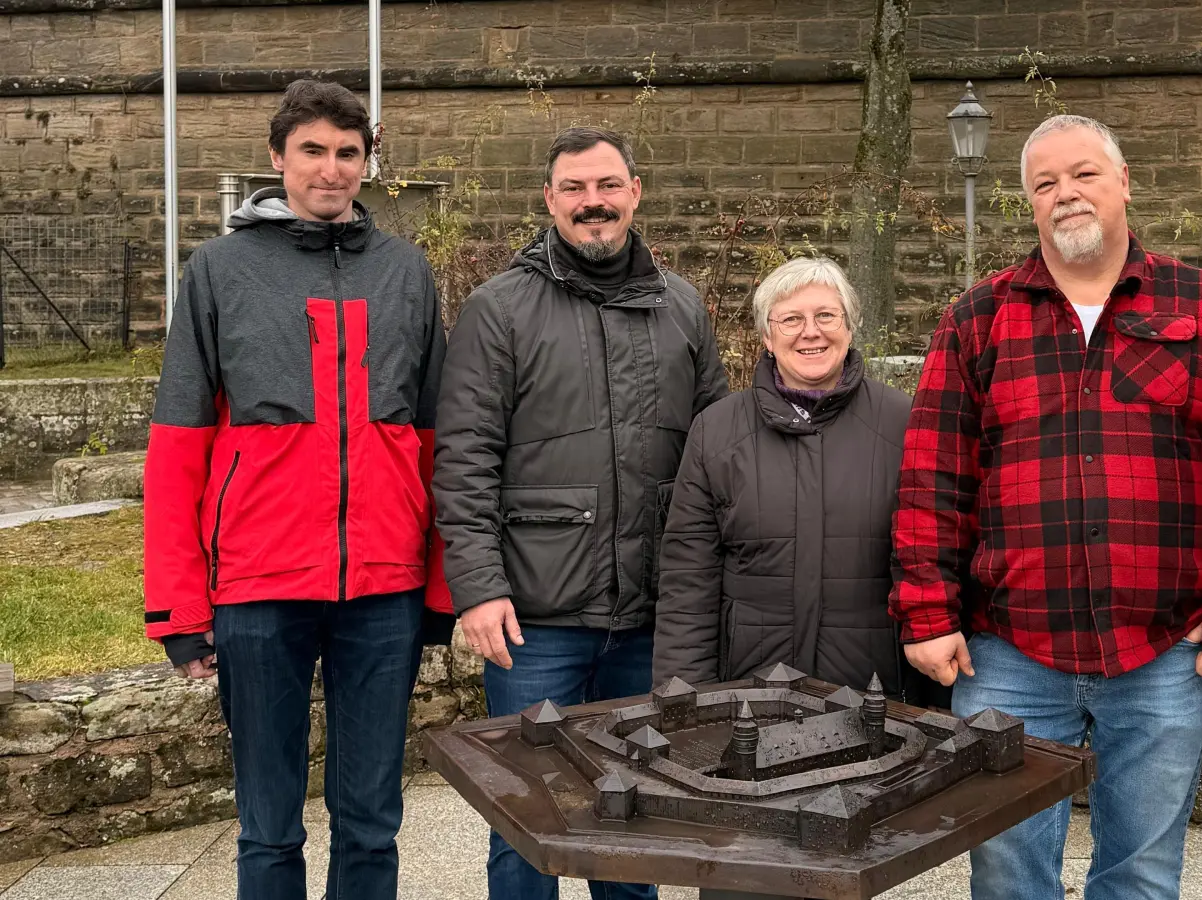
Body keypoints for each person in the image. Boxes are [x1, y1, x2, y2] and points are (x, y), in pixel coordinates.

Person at [891, 114, 1202, 900]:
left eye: (1083, 175)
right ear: (1029, 203)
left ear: (1124, 181)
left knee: (1142, 870)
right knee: (1005, 869)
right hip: (1010, 649)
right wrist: (927, 612)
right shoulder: (979, 317)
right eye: (1045, 184)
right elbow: (934, 476)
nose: (1065, 194)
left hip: (1165, 648)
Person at [143, 79, 454, 900]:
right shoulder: (218, 270)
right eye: (312, 151)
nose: (331, 169)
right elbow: (178, 446)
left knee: (371, 821)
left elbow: (437, 444)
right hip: (257, 588)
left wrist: (442, 583)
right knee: (268, 826)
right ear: (277, 157)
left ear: (367, 162)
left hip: (384, 590)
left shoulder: (405, 272)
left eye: (348, 153)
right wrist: (179, 606)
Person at [431, 126, 729, 900]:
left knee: (635, 823)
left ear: (634, 192)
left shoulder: (683, 307)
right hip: (535, 615)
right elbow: (464, 458)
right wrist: (477, 586)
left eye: (606, 186)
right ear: (549, 200)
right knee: (527, 818)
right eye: (574, 189)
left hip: (652, 615)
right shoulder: (498, 310)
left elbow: (719, 453)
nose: (592, 202)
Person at [652, 256, 943, 707]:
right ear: (767, 337)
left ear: (849, 326)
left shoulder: (904, 422)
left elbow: (932, 556)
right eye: (791, 319)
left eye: (826, 315)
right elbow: (689, 579)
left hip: (875, 689)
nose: (811, 331)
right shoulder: (717, 431)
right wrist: (684, 700)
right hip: (750, 690)